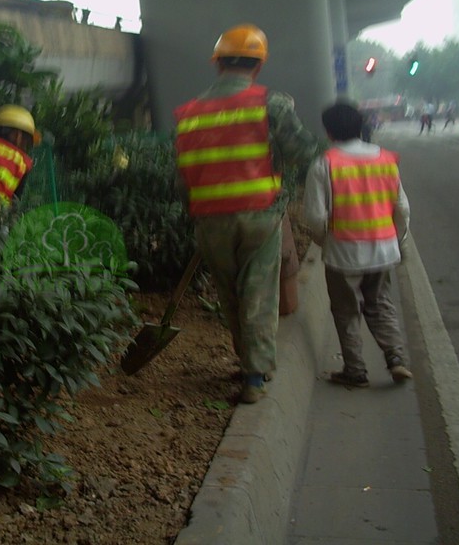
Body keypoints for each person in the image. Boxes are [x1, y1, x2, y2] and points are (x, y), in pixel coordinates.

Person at [173, 23, 321, 404]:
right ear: (257, 66)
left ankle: (246, 362)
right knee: (257, 291)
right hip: (259, 215)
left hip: (210, 219)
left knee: (231, 294)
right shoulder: (270, 104)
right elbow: (304, 153)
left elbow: (182, 177)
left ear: (218, 64)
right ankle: (255, 375)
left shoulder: (189, 113)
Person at [303, 102, 413, 388]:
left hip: (343, 255)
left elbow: (315, 216)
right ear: (361, 126)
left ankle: (355, 370)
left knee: (346, 311)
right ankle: (396, 358)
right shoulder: (385, 159)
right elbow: (402, 207)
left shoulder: (323, 164)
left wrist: (322, 240)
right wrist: (397, 240)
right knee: (380, 304)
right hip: (383, 250)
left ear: (328, 132)